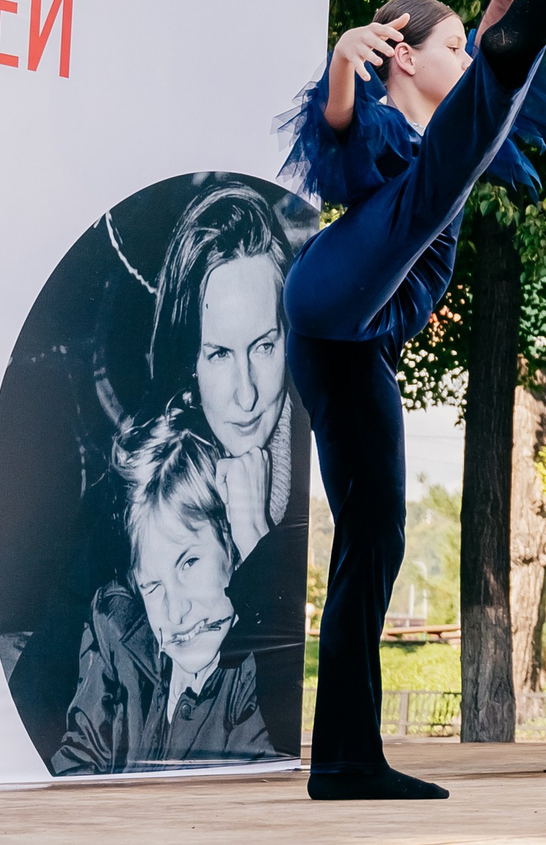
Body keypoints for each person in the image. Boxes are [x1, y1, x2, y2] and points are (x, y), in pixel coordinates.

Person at [278, 0, 546, 802]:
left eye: (471, 45)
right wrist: (346, 55)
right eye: (456, 45)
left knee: (375, 536)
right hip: (335, 295)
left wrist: (498, 2)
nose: (462, 54)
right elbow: (336, 125)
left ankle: (343, 755)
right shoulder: (381, 125)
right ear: (404, 54)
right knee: (439, 177)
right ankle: (347, 756)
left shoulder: (442, 133)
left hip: (356, 341)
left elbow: (471, 115)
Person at [143, 181, 309, 757]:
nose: (246, 396)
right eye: (218, 354)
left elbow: (272, 724)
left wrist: (257, 543)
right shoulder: (147, 488)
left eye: (264, 347)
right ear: (189, 360)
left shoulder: (325, 453)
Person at [52, 401, 275, 774]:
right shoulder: (114, 625)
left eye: (189, 563)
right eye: (152, 585)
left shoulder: (259, 668)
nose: (174, 612)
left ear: (233, 549)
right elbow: (79, 758)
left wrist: (261, 550)